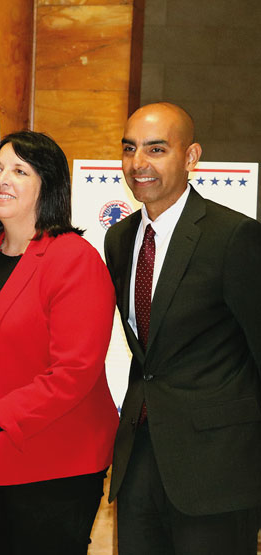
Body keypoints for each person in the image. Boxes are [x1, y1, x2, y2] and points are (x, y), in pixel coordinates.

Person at [0, 131, 118, 554]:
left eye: (19, 170)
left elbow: (74, 373)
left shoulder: (74, 259)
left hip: (52, 464)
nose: (1, 180)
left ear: (47, 185)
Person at [105, 102, 261, 554]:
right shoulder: (119, 239)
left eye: (156, 149)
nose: (139, 164)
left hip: (218, 470)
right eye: (129, 149)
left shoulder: (234, 237)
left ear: (191, 157)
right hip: (138, 461)